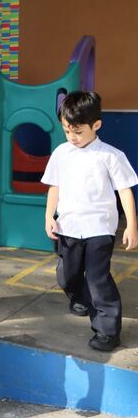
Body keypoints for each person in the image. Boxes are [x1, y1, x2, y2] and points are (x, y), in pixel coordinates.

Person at [41, 91, 138, 351]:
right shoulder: (61, 153)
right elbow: (54, 186)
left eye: (78, 132)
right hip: (68, 227)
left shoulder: (111, 155)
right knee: (67, 276)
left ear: (96, 125)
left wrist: (131, 225)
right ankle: (79, 297)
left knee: (98, 279)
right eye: (67, 131)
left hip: (99, 229)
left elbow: (125, 190)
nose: (72, 137)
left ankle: (107, 331)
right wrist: (49, 215)